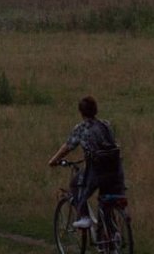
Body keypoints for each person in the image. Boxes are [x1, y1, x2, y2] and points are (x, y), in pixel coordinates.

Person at [47, 95, 127, 230]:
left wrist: (53, 161)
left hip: (97, 171)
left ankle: (84, 217)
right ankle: (109, 244)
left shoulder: (81, 128)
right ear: (95, 110)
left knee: (75, 184)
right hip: (115, 169)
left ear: (81, 112)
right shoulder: (106, 125)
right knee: (106, 202)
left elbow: (67, 146)